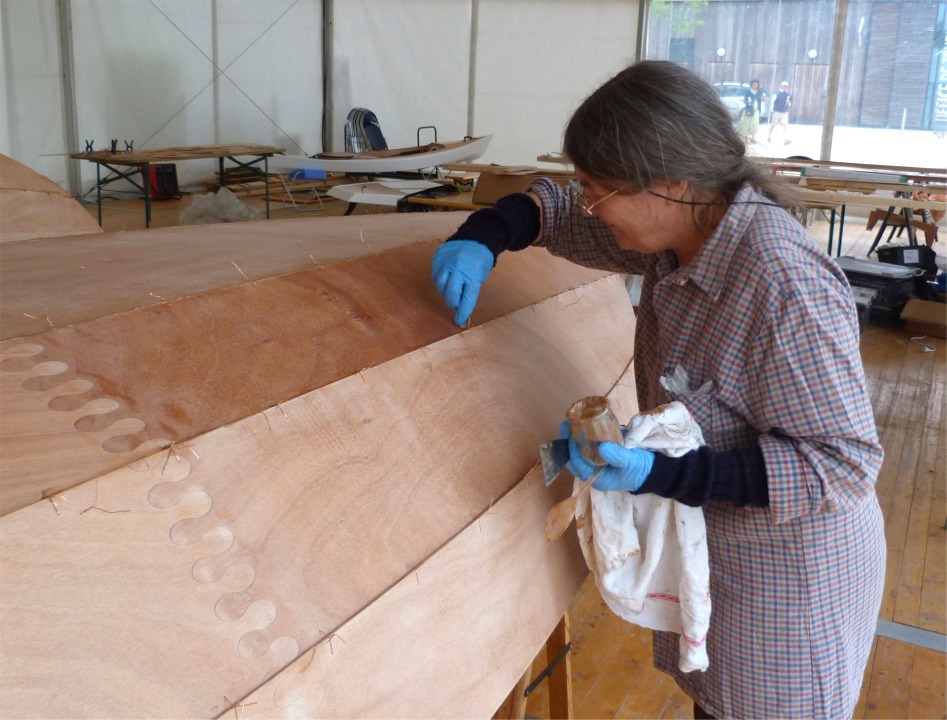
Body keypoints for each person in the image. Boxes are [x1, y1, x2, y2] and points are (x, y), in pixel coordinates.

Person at [431, 60, 885, 719]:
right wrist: (485, 235)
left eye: (599, 190)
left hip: (790, 585)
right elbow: (557, 211)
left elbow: (839, 466)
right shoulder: (679, 232)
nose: (587, 204)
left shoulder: (782, 283)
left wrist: (662, 471)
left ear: (669, 184)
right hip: (722, 559)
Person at [769, 80, 793, 144]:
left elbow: (790, 104)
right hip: (776, 111)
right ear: (781, 86)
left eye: (786, 86)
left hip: (784, 112)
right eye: (784, 86)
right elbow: (772, 101)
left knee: (785, 125)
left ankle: (785, 139)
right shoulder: (777, 93)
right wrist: (772, 110)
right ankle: (769, 136)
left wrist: (788, 103)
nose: (785, 87)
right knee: (773, 125)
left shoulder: (788, 94)